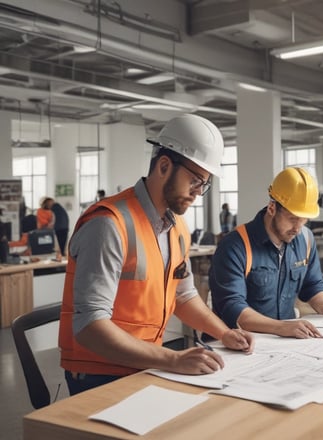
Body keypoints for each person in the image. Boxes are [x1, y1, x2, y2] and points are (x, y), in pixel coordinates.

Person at [59, 114, 253, 395]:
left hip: (145, 365)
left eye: (204, 184)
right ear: (164, 166)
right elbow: (90, 325)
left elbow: (183, 296)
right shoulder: (109, 225)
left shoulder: (176, 228)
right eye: (195, 180)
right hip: (100, 376)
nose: (199, 192)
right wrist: (174, 359)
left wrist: (224, 333)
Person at [209, 167, 323, 338]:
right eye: (293, 218)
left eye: (304, 220)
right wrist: (281, 328)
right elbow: (233, 309)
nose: (298, 228)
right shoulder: (235, 246)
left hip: (283, 343)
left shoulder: (306, 239)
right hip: (237, 345)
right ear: (272, 208)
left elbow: (313, 284)